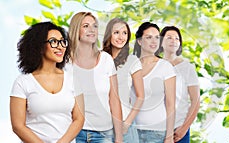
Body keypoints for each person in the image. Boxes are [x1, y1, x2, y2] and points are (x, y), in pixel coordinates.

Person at [10, 22, 85, 143]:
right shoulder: (23, 82)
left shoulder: (74, 80)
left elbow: (79, 119)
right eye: (54, 41)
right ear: (39, 46)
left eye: (62, 41)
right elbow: (18, 126)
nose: (60, 47)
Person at [67, 12, 123, 143]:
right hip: (73, 132)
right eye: (86, 26)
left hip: (103, 133)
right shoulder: (65, 62)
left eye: (95, 26)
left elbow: (114, 99)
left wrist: (119, 137)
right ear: (76, 30)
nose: (92, 29)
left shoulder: (106, 60)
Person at [132, 22, 176, 143]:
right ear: (139, 41)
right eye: (149, 37)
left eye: (157, 37)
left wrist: (169, 136)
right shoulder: (130, 65)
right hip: (131, 131)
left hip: (156, 133)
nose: (154, 41)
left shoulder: (165, 67)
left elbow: (170, 104)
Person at [103, 18, 144, 143]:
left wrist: (127, 123)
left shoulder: (132, 61)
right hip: (102, 126)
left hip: (124, 125)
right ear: (109, 35)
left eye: (124, 33)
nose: (121, 37)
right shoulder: (100, 59)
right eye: (116, 33)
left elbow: (141, 96)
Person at [157, 26, 200, 143]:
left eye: (177, 38)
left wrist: (184, 129)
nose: (173, 40)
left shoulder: (187, 67)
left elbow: (195, 101)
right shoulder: (155, 66)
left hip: (178, 131)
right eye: (169, 37)